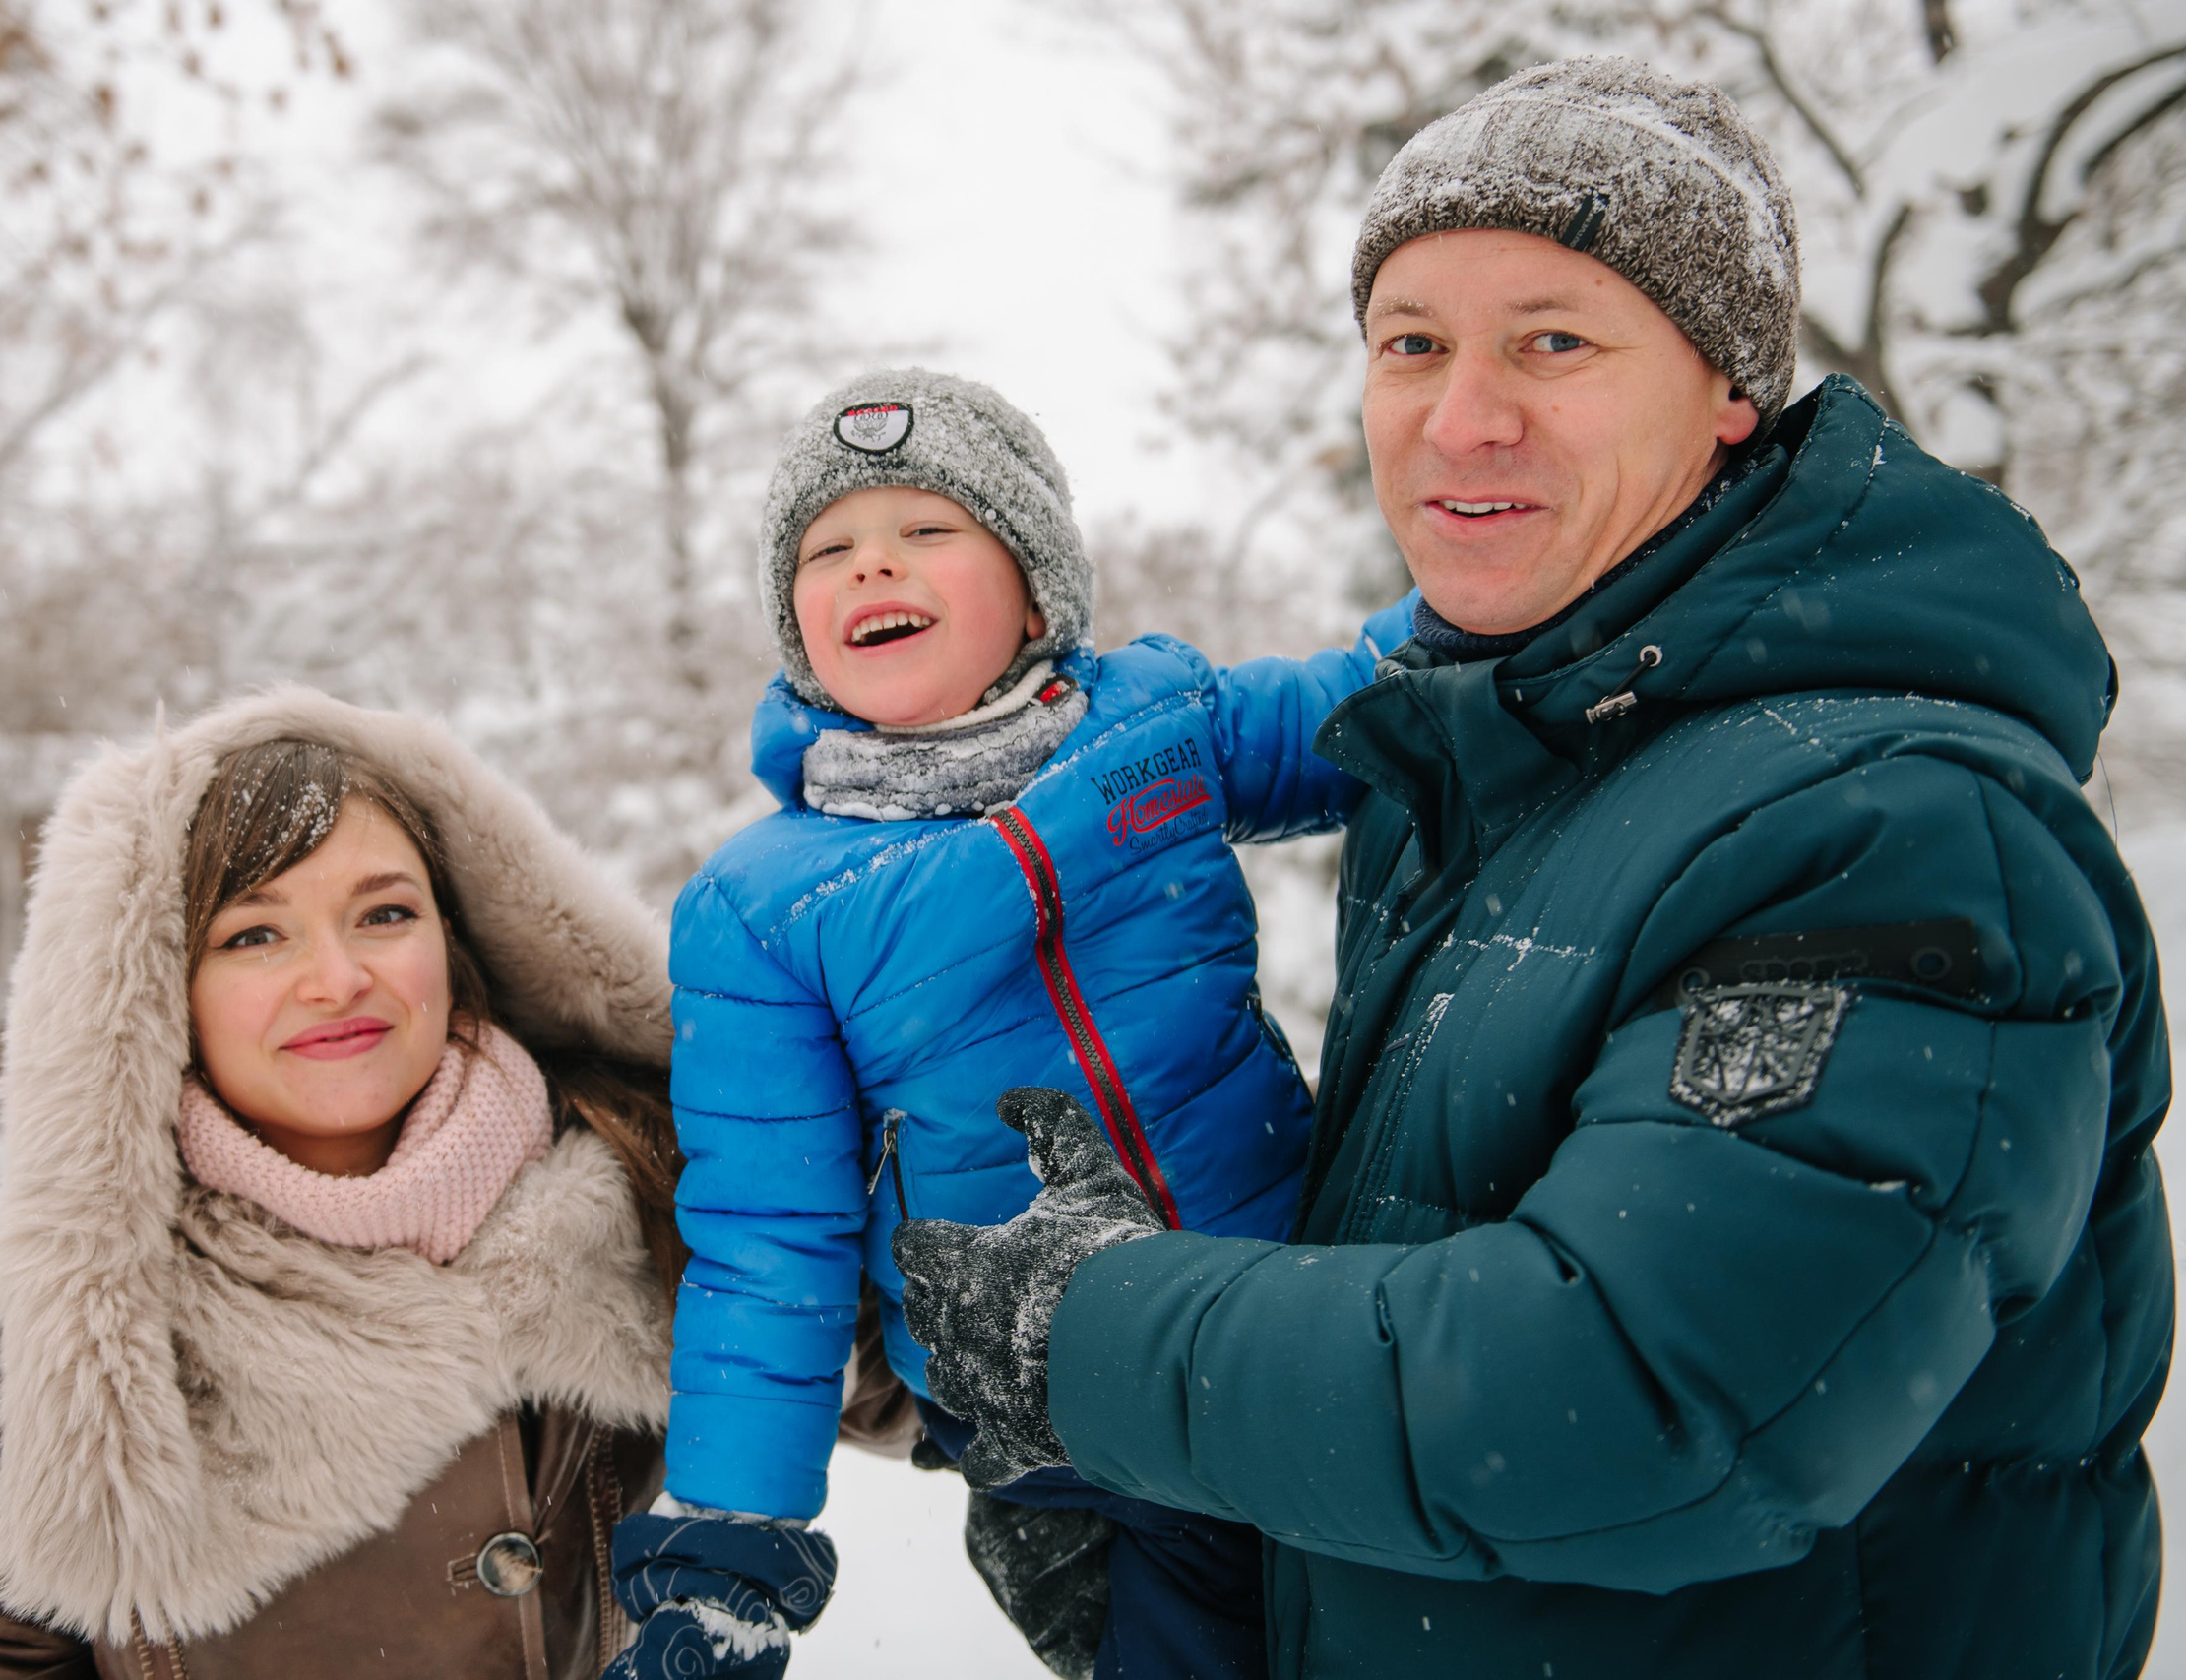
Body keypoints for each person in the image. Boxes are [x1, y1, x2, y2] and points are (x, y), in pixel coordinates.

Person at [896, 56, 2172, 1680]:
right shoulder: (1486, 778)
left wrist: (1093, 1337)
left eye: (1553, 341)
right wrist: (1172, 1541)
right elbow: (1425, 1352)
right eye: (1411, 344)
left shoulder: (1898, 824)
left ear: (1727, 391)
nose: (1461, 415)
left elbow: (1651, 1398)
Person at [610, 368, 1418, 1679]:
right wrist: (726, 1538)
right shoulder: (763, 906)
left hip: (1293, 1318)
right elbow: (770, 1234)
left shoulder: (1160, 726)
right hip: (1065, 1411)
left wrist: (1541, 563)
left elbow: (1384, 700)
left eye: (927, 530)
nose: (874, 565)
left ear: (1036, 586)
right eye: (828, 550)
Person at [0, 690, 685, 1679]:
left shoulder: (648, 1183)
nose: (337, 978)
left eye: (384, 914)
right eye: (254, 935)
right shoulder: (64, 1319)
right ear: (160, 994)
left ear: (456, 942)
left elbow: (892, 1386)